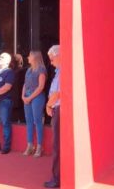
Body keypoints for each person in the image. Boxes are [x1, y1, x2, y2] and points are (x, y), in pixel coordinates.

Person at [22, 51, 47, 157]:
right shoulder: (28, 69)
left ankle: (39, 147)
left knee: (37, 121)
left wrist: (30, 97)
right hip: (27, 96)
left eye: (30, 56)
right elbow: (25, 84)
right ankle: (30, 145)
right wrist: (23, 96)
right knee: (29, 122)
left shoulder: (41, 69)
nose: (28, 57)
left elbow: (41, 86)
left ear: (35, 58)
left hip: (37, 97)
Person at [44, 45, 61, 188]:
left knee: (57, 145)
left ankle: (56, 179)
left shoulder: (62, 72)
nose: (51, 61)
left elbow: (58, 93)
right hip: (56, 108)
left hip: (59, 109)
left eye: (52, 58)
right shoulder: (58, 71)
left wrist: (49, 105)